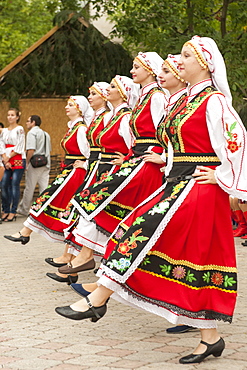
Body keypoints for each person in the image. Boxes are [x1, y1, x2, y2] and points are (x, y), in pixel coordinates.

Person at [55, 36, 247, 365]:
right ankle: (211, 338)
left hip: (200, 188)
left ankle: (98, 298)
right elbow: (174, 143)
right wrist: (165, 160)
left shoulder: (213, 101)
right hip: (178, 183)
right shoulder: (184, 101)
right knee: (192, 261)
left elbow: (236, 140)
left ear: (204, 64)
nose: (179, 61)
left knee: (138, 233)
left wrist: (225, 179)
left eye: (186, 56)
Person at [53, 53, 168, 280]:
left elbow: (165, 129)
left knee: (100, 200)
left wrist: (164, 156)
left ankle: (90, 260)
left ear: (149, 69)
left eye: (137, 67)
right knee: (99, 204)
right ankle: (93, 261)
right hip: (136, 160)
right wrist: (127, 158)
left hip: (148, 162)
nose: (133, 70)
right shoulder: (145, 98)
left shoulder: (156, 97)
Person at [46, 76, 138, 283]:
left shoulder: (122, 116)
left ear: (123, 92)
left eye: (111, 88)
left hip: (113, 171)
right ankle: (78, 262)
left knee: (94, 213)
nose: (99, 94)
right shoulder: (111, 117)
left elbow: (135, 142)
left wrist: (128, 159)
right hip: (101, 170)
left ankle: (83, 262)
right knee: (87, 213)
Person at [4, 96, 93, 251]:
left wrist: (84, 164)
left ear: (79, 109)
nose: (67, 107)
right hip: (68, 171)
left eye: (71, 105)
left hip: (75, 173)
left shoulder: (81, 129)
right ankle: (27, 232)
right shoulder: (72, 127)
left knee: (49, 199)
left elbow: (90, 152)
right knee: (50, 200)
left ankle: (27, 232)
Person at [17, 115, 51, 216]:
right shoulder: (46, 134)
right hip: (46, 163)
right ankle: (43, 209)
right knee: (44, 188)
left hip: (35, 164)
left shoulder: (32, 133)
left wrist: (26, 163)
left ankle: (24, 209)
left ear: (33, 122)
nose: (26, 123)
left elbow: (31, 149)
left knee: (29, 187)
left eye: (28, 121)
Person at [0, 108, 25, 221]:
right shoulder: (4, 131)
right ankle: (5, 209)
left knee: (15, 184)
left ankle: (13, 211)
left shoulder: (20, 129)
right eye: (8, 115)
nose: (10, 117)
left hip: (17, 158)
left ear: (17, 117)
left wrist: (9, 157)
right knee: (4, 184)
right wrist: (4, 158)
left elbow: (20, 146)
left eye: (12, 115)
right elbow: (1, 144)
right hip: (6, 159)